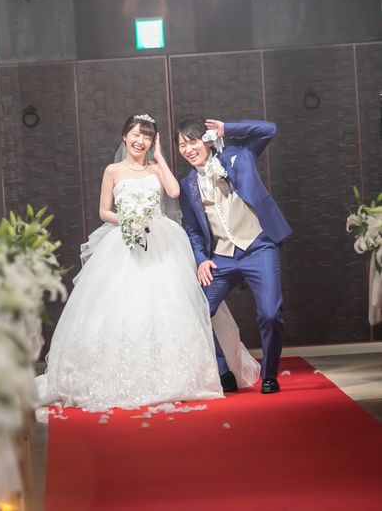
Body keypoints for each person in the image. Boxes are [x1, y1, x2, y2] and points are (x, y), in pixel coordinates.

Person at [38, 114, 258, 412]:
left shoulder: (155, 168)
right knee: (123, 307)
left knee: (167, 304)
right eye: (136, 135)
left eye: (147, 136)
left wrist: (161, 157)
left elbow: (174, 191)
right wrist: (128, 220)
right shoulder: (113, 170)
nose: (140, 141)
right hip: (125, 242)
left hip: (161, 242)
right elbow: (104, 211)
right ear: (125, 136)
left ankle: (175, 375)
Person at [177, 117, 292, 394]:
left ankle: (269, 375)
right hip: (221, 257)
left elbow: (269, 129)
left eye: (193, 141)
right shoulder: (187, 184)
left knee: (270, 313)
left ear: (206, 140)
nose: (188, 149)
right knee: (197, 311)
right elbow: (192, 230)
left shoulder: (239, 155)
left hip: (258, 247)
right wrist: (201, 259)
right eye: (182, 145)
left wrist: (227, 129)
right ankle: (223, 371)